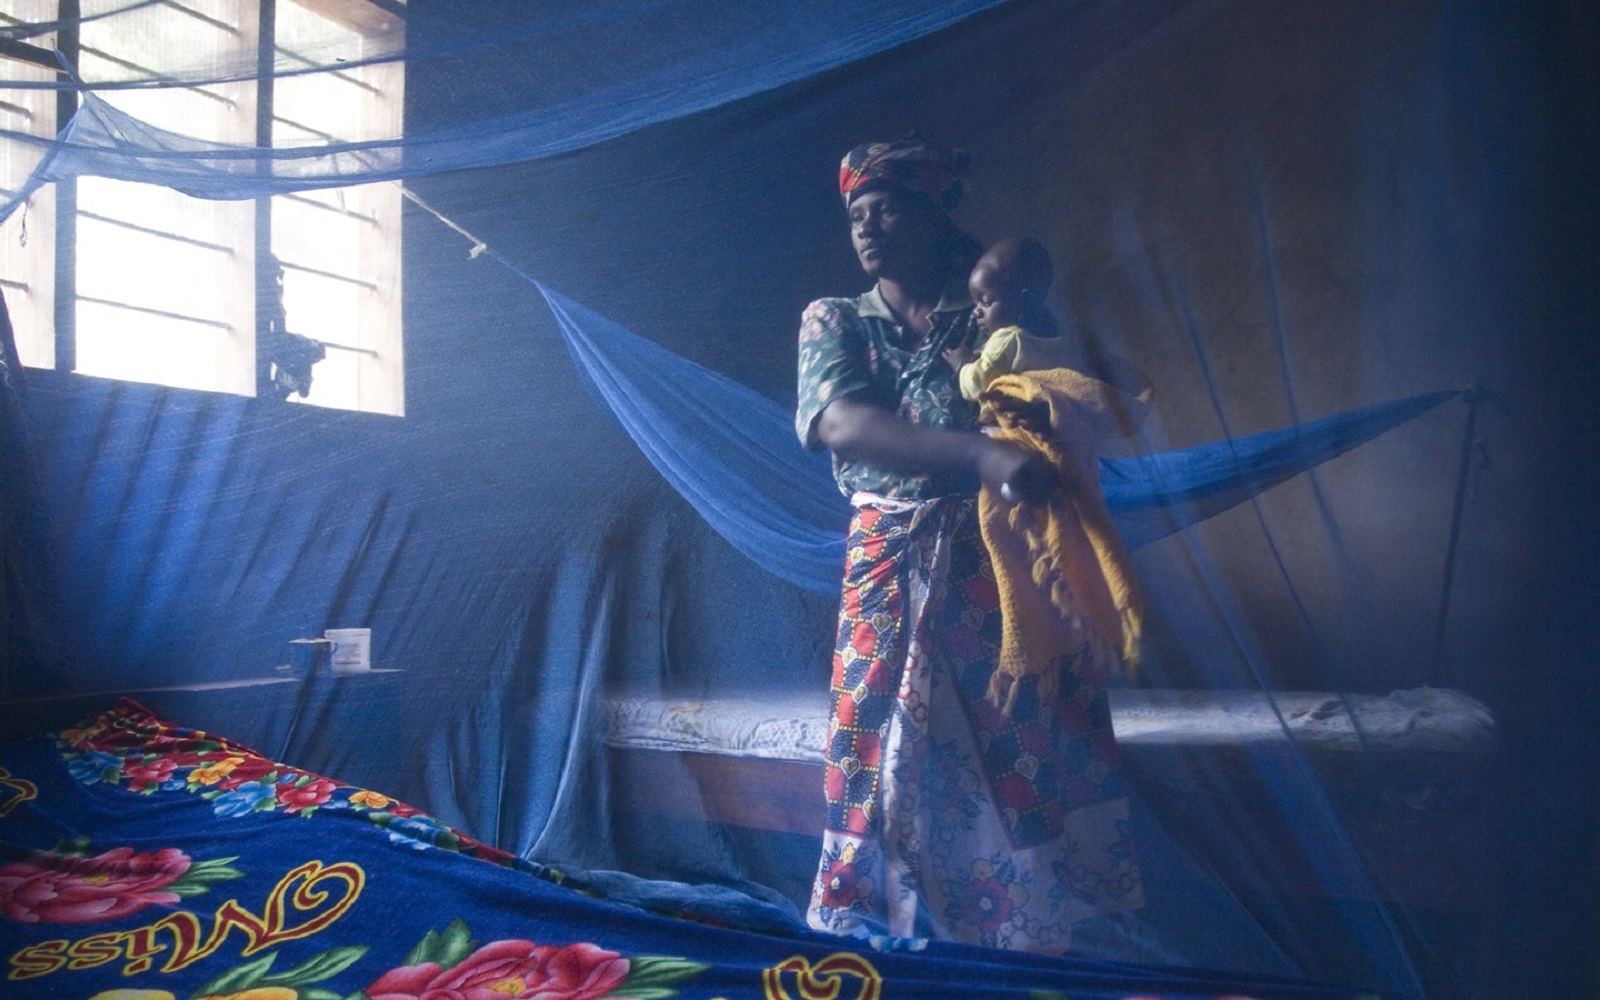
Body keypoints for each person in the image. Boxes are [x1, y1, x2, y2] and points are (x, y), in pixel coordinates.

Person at [795, 137, 1145, 953]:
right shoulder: (836, 317)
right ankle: (872, 924)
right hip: (894, 555)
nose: (867, 226)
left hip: (999, 563)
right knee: (873, 733)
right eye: (855, 213)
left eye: (886, 207)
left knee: (1021, 729)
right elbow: (839, 424)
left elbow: (1046, 393)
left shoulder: (985, 316)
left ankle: (1021, 928)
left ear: (931, 214)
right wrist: (982, 455)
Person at [944, 236, 1079, 402]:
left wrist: (962, 365)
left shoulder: (1007, 338)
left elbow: (977, 385)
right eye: (975, 303)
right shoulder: (1056, 333)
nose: (975, 313)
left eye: (986, 302)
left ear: (1024, 300)